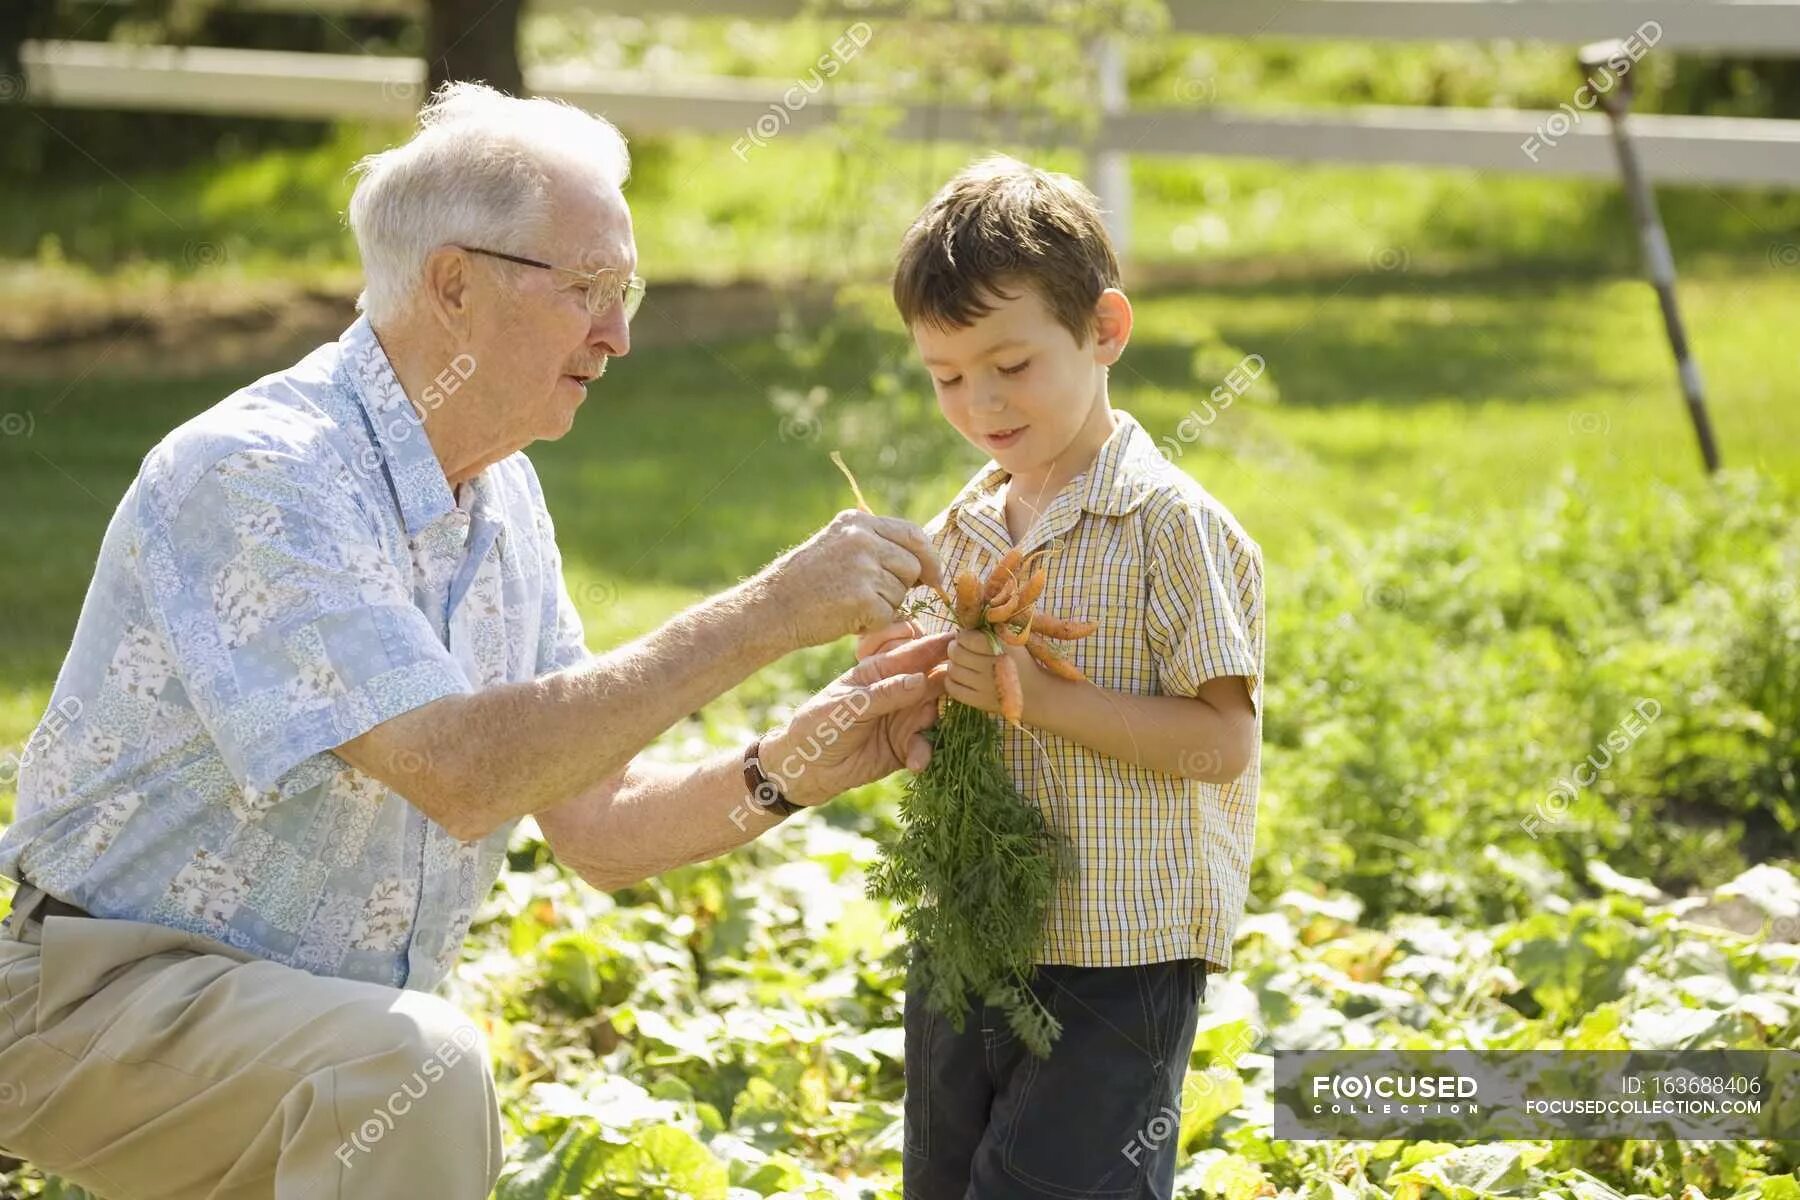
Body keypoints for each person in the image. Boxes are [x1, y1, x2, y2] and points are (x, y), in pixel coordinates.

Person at [0, 82, 950, 1200]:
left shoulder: (502, 503)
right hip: (89, 998)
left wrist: (798, 761)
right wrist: (768, 613)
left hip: (310, 1042)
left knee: (397, 1066)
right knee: (418, 1065)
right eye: (590, 288)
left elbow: (596, 823)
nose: (623, 333)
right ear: (453, 284)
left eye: (627, 289)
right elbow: (460, 772)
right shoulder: (260, 474)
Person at [859, 154, 1265, 1199]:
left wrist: (1045, 700)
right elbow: (938, 733)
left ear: (1105, 330)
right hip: (972, 924)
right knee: (944, 1179)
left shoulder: (1167, 527)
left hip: (1119, 954)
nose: (980, 402)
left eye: (1011, 365)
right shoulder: (963, 530)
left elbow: (1223, 742)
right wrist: (903, 691)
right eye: (947, 377)